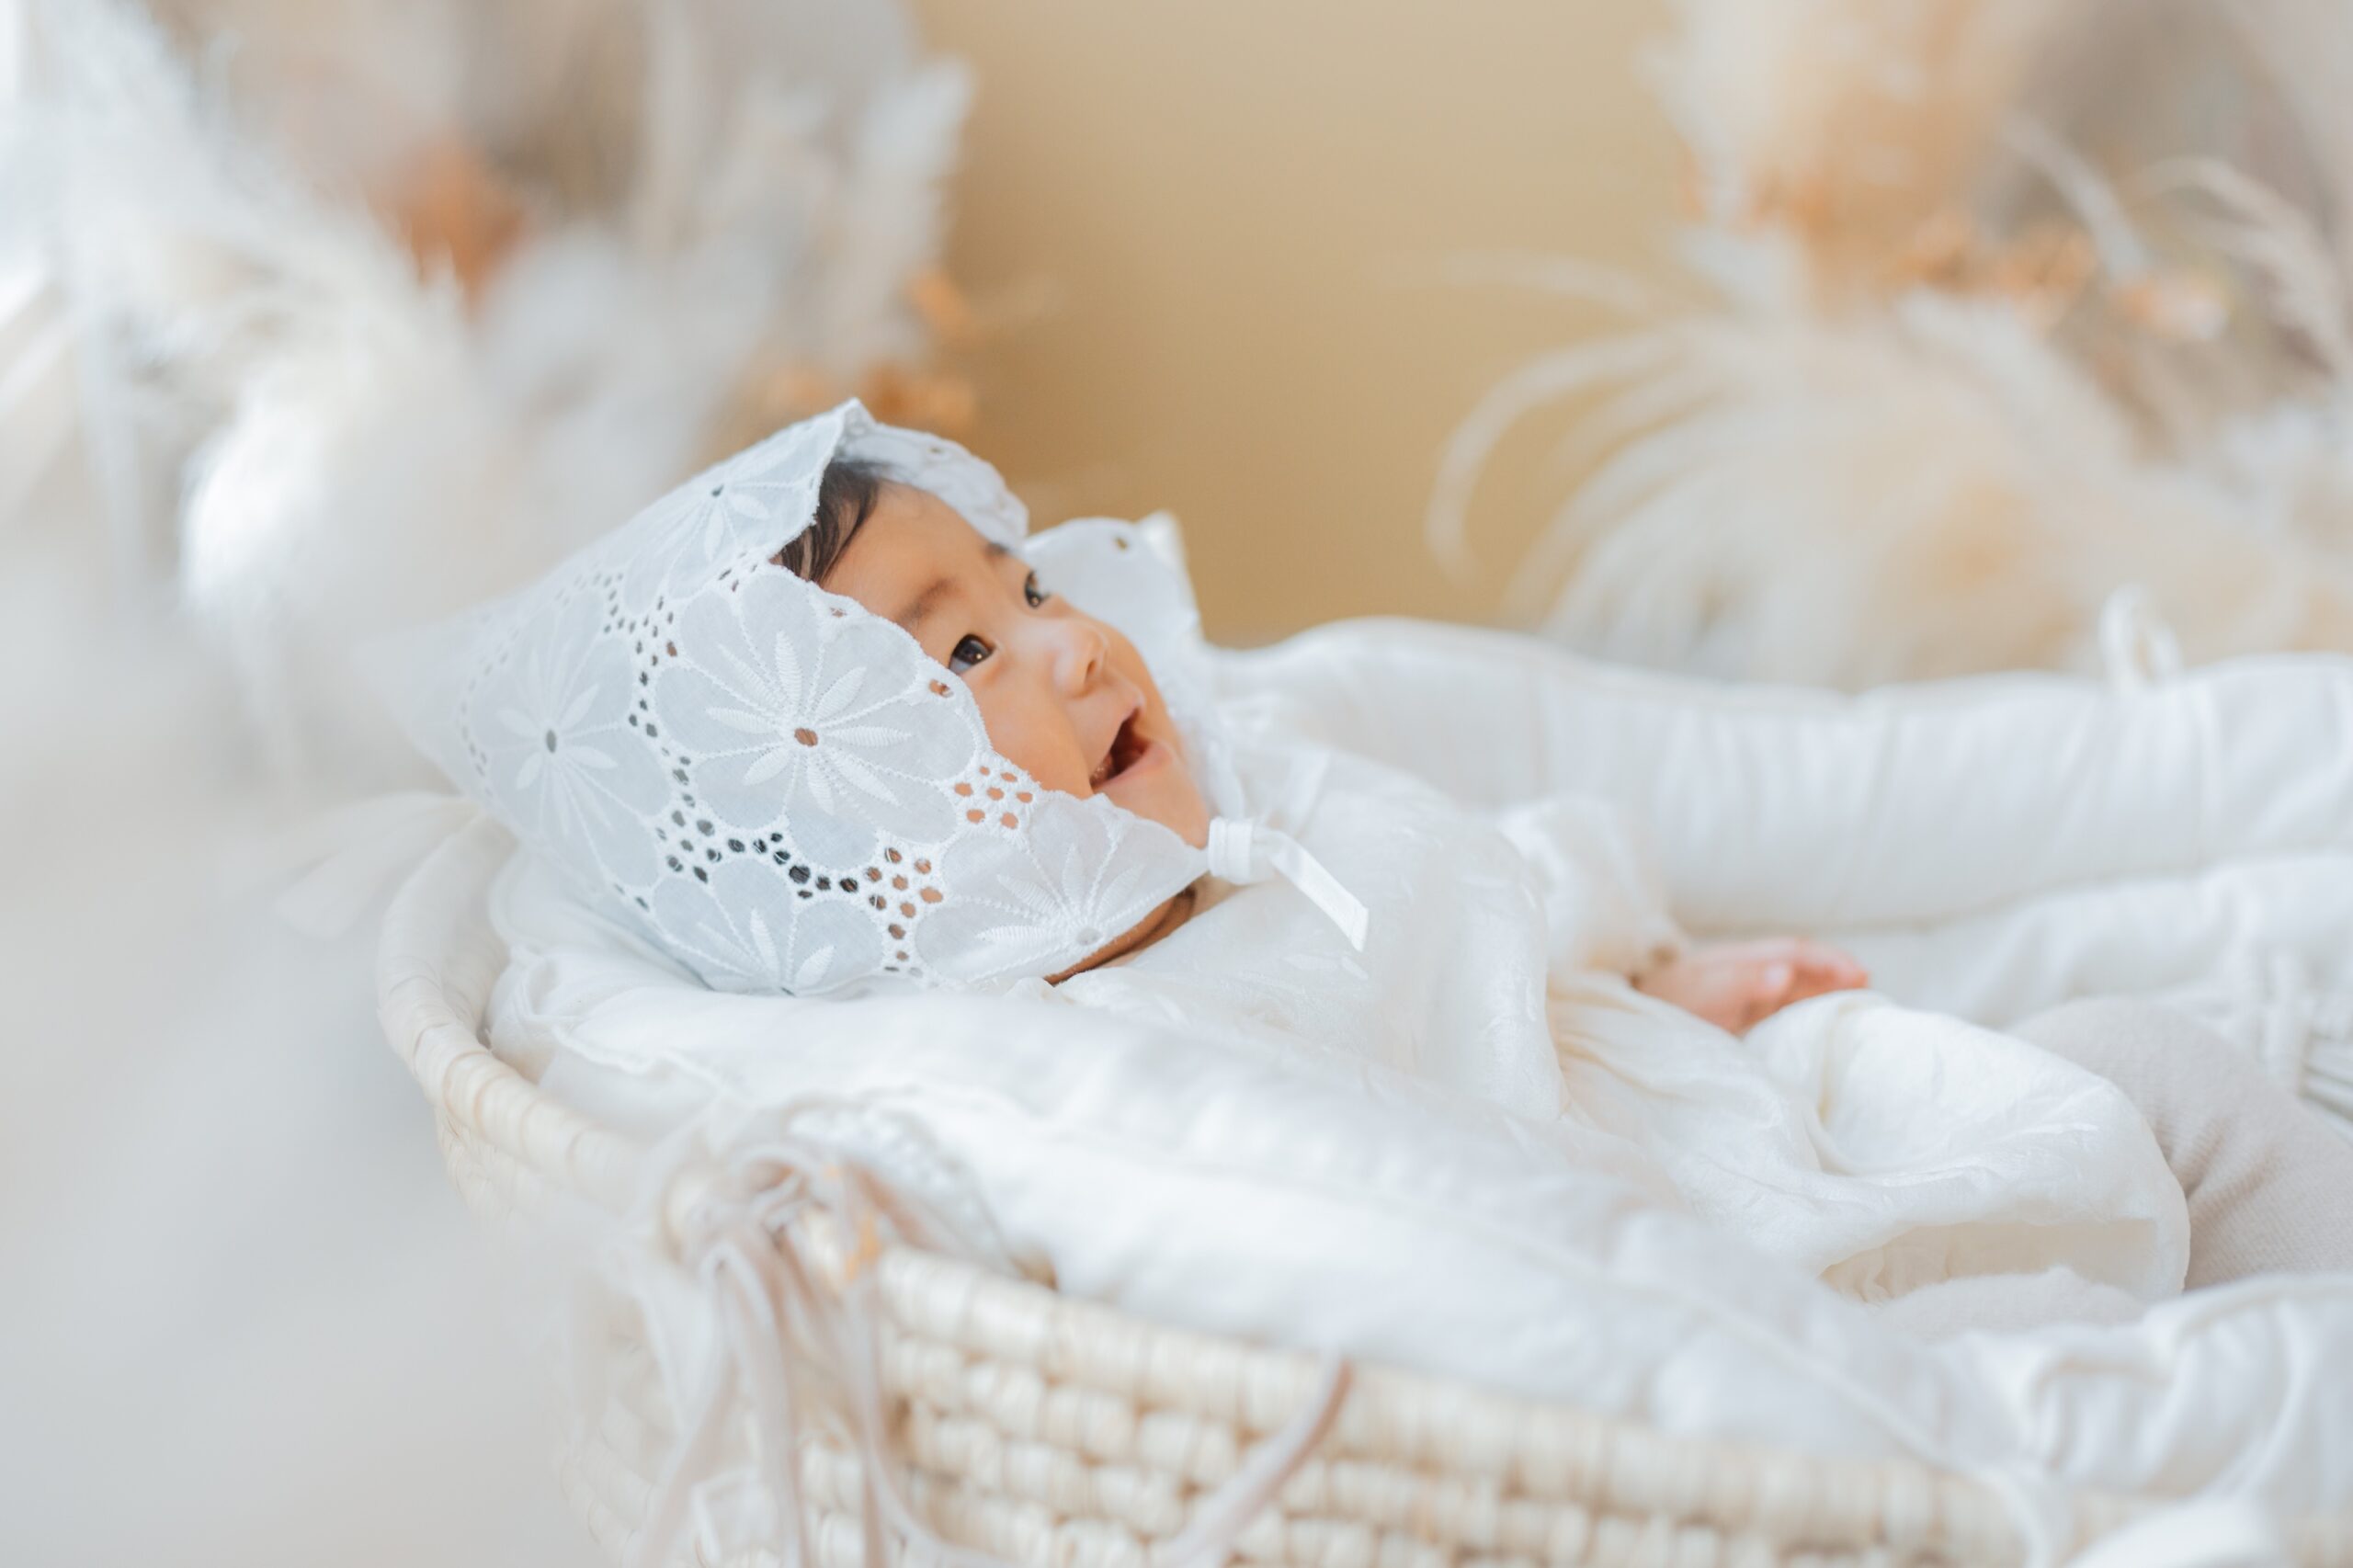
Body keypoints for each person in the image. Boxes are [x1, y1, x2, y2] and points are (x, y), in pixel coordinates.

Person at [399, 402, 2353, 1301]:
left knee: (2145, 1062)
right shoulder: (1110, 1059)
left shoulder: (1237, 844)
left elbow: (1469, 910)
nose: (1075, 643)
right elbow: (1425, 1176)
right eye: (962, 654)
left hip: (1744, 1109)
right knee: (2120, 1111)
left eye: (1028, 584)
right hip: (1738, 1264)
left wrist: (1651, 981)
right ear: (833, 831)